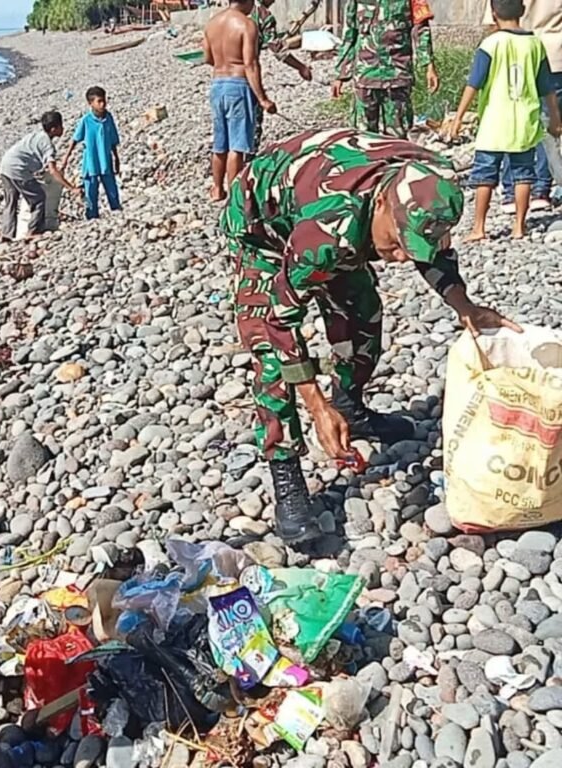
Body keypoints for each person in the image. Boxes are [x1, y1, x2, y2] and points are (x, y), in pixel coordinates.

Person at [220, 128, 520, 544]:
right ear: (381, 203)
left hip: (328, 206)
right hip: (262, 227)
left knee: (363, 314)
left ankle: (352, 406)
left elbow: (433, 249)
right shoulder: (329, 232)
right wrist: (317, 407)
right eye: (396, 245)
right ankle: (286, 473)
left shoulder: (432, 180)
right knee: (272, 359)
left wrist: (464, 306)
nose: (400, 258)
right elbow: (279, 321)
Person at [451, 0, 562, 240]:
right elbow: (547, 88)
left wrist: (458, 117)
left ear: (493, 14)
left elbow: (474, 83)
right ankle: (519, 226)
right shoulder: (535, 44)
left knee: (484, 175)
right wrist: (555, 117)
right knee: (524, 172)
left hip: (494, 122)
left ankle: (479, 227)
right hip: (525, 122)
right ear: (522, 12)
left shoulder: (490, 44)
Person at [482, 0, 562, 212]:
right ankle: (540, 191)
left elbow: (493, 22)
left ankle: (511, 192)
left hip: (512, 58)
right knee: (546, 128)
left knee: (513, 122)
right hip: (555, 56)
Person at [203, 0, 277, 202]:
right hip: (239, 85)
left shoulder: (212, 23)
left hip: (217, 85)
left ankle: (217, 189)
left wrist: (223, 63)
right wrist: (263, 99)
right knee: (237, 145)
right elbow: (250, 65)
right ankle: (235, 194)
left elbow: (207, 57)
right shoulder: (246, 24)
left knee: (220, 143)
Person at [333, 0, 440, 138]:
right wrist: (340, 74)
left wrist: (429, 65)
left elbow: (420, 30)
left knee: (398, 139)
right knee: (362, 138)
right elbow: (349, 34)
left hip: (397, 77)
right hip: (365, 78)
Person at [0, 110, 81, 241]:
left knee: (11, 202)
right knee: (38, 198)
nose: (63, 129)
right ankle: (32, 231)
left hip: (5, 166)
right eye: (61, 126)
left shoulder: (35, 135)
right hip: (18, 170)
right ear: (54, 129)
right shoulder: (48, 145)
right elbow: (54, 171)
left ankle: (6, 234)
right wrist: (72, 188)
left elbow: (29, 155)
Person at [250, 0, 312, 154]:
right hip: (248, 78)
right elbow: (278, 50)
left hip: (221, 81)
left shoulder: (230, 13)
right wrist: (301, 67)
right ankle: (244, 171)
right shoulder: (262, 15)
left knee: (226, 141)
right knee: (249, 134)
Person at [61, 86, 122, 221]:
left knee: (112, 189)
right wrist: (66, 158)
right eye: (99, 101)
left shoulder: (109, 118)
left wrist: (116, 159)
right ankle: (91, 215)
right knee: (90, 192)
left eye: (104, 100)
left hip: (106, 162)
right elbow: (75, 140)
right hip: (91, 163)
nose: (103, 104)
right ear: (90, 103)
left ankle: (116, 210)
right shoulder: (86, 120)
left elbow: (113, 141)